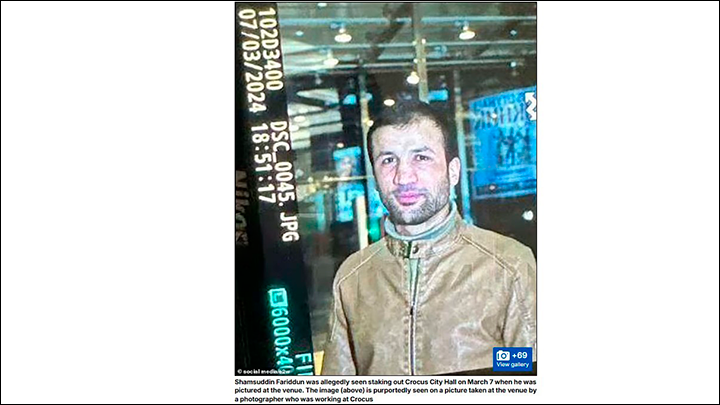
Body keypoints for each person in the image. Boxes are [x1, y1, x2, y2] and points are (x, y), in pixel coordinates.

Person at [321, 101, 536, 375]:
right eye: (388, 160)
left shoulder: (508, 266)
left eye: (421, 157)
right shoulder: (353, 277)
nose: (403, 177)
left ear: (453, 171)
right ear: (374, 176)